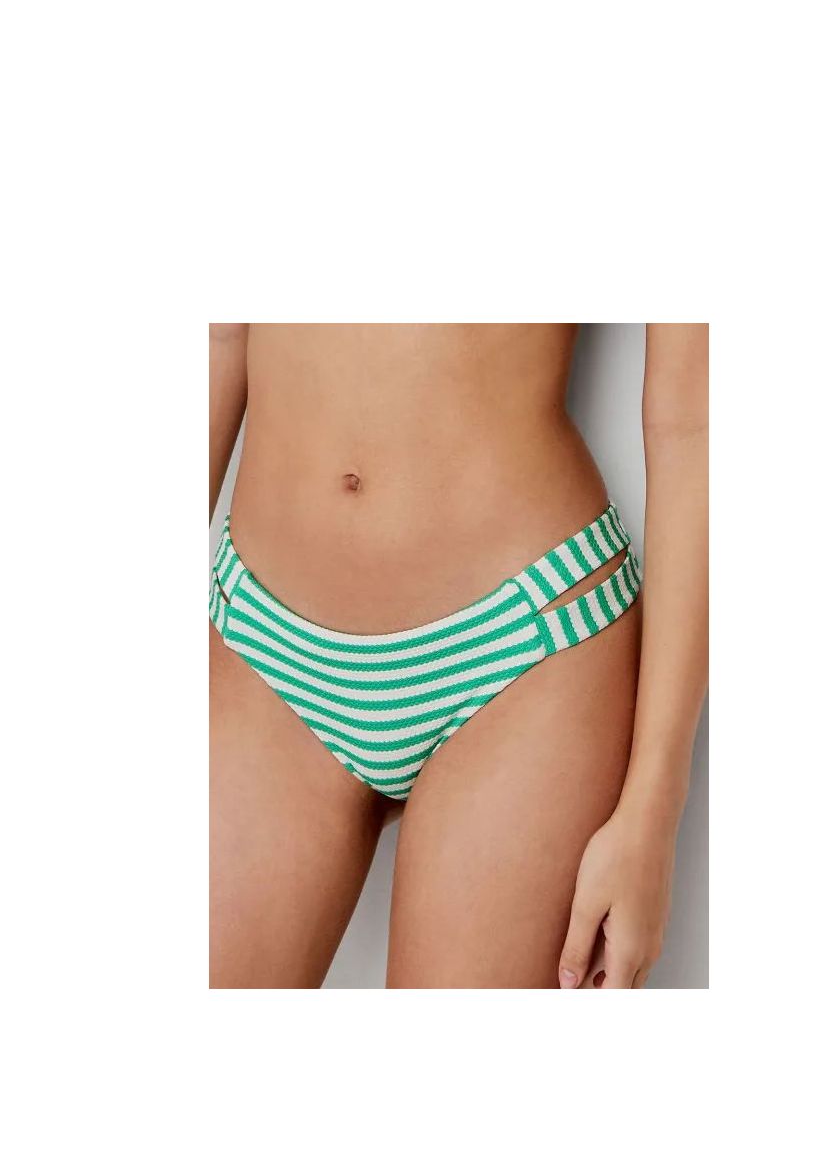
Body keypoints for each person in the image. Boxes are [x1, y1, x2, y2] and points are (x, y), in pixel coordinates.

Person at [210, 323, 707, 988]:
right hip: (260, 640)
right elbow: (220, 336)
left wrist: (653, 817)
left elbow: (692, 424)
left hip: (523, 652)